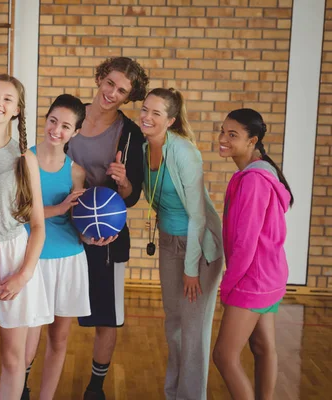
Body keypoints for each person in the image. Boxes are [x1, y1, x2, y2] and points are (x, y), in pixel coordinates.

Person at [65, 57, 148, 400]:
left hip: (105, 235)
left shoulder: (129, 134)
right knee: (52, 314)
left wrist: (124, 181)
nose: (112, 93)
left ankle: (96, 387)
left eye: (122, 90)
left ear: (129, 97)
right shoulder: (69, 115)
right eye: (110, 83)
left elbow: (132, 196)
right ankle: (22, 384)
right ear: (99, 77)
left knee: (106, 318)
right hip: (62, 226)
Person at [140, 87, 223, 400]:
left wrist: (191, 269)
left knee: (192, 331)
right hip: (169, 242)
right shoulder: (145, 149)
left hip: (200, 248)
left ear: (171, 120)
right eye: (145, 109)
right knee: (173, 324)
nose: (147, 117)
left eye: (156, 113)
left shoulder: (184, 152)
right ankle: (174, 394)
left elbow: (198, 218)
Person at [0, 74, 51, 400]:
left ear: (17, 110)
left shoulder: (25, 159)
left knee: (13, 358)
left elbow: (37, 225)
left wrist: (23, 275)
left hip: (13, 256)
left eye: (7, 99)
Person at [212, 109, 293, 400]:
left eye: (232, 135)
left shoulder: (253, 180)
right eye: (222, 131)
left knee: (224, 356)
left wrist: (227, 285)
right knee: (262, 348)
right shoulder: (261, 171)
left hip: (252, 279)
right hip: (270, 275)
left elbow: (245, 243)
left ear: (252, 140)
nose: (223, 139)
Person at [22, 94, 90, 399]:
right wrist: (60, 208)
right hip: (33, 258)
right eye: (52, 121)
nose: (56, 130)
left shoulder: (77, 172)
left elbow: (80, 219)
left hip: (70, 258)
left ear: (75, 132)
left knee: (59, 339)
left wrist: (93, 236)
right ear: (45, 119)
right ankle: (17, 390)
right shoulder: (26, 160)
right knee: (26, 339)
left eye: (65, 126)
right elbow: (21, 211)